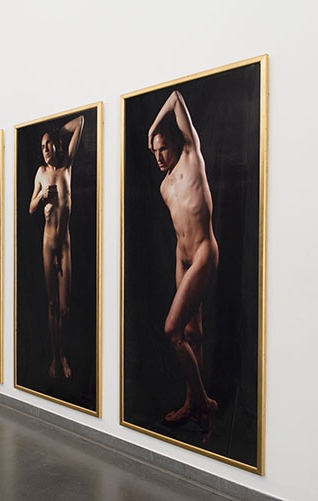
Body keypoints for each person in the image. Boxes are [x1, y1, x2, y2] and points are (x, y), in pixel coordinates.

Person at [148, 90, 218, 441]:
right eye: (154, 151)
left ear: (176, 144)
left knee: (171, 330)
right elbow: (180, 230)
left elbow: (176, 98)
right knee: (192, 335)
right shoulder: (164, 187)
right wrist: (180, 265)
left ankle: (203, 403)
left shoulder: (192, 157)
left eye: (162, 148)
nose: (159, 156)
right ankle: (193, 405)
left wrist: (152, 128)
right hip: (184, 259)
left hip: (204, 254)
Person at [28, 115, 84, 379]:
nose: (46, 150)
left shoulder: (66, 167)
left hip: (65, 245)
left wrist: (56, 133)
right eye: (42, 147)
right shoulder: (41, 173)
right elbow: (30, 209)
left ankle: (63, 354)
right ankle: (54, 357)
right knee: (51, 305)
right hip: (48, 244)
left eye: (48, 145)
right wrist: (41, 196)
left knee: (64, 308)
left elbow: (80, 122)